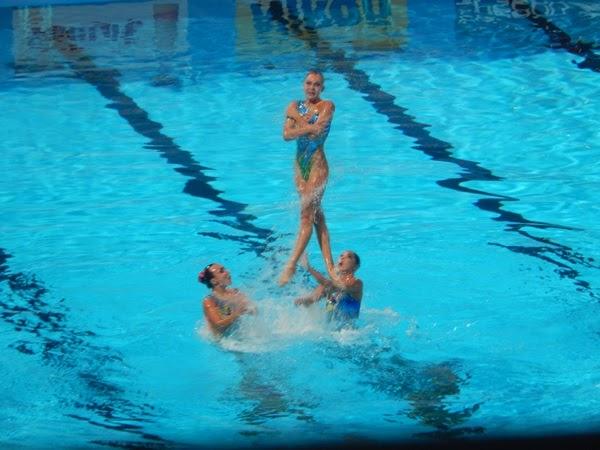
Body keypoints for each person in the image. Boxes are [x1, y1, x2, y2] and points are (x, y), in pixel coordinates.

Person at [279, 70, 336, 286]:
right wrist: (305, 122)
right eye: (309, 83)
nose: (312, 87)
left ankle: (291, 264)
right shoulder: (296, 104)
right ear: (303, 85)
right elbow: (286, 135)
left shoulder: (327, 106)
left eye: (317, 84)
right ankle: (329, 266)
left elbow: (317, 134)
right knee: (316, 215)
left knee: (306, 216)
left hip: (317, 167)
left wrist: (295, 117)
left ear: (322, 87)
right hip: (300, 167)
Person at [295, 250, 363, 325]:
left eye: (349, 257)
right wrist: (304, 301)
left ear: (356, 266)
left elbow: (330, 284)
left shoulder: (357, 283)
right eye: (341, 255)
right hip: (330, 330)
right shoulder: (329, 287)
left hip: (350, 332)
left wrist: (308, 267)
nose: (343, 257)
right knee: (329, 297)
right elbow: (311, 300)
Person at [199, 263, 257, 337]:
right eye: (222, 271)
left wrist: (251, 309)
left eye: (225, 269)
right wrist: (238, 313)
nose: (228, 272)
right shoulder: (210, 301)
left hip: (236, 334)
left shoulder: (236, 292)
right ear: (214, 281)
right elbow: (218, 324)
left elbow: (253, 310)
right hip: (222, 341)